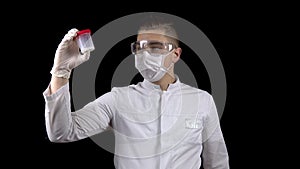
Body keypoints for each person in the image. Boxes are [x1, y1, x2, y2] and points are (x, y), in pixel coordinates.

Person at [43, 17, 230, 169]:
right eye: (139, 47)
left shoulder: (202, 101)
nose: (145, 53)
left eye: (155, 46)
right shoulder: (118, 99)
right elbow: (61, 132)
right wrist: (61, 71)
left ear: (176, 54)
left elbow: (217, 163)